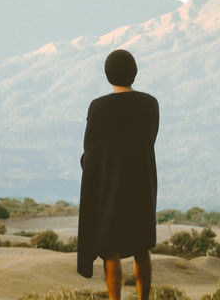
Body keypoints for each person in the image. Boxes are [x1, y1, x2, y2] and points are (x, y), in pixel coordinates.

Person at [76, 48, 159, 300]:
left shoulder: (99, 107)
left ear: (107, 75)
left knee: (109, 248)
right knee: (141, 246)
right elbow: (149, 140)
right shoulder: (150, 103)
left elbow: (91, 151)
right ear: (134, 73)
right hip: (142, 183)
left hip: (109, 186)